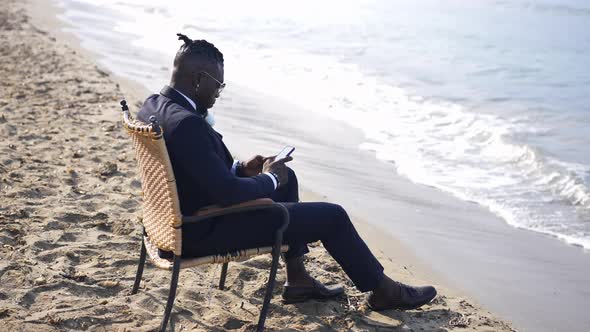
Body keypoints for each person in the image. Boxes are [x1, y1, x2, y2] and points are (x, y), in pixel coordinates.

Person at [137, 33, 437, 310]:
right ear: (199, 80)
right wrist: (267, 179)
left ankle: (298, 278)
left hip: (177, 218)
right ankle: (384, 291)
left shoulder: (154, 106)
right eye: (218, 85)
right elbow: (228, 194)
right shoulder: (189, 123)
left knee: (287, 177)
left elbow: (193, 168)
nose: (219, 93)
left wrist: (240, 168)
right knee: (333, 216)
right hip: (203, 228)